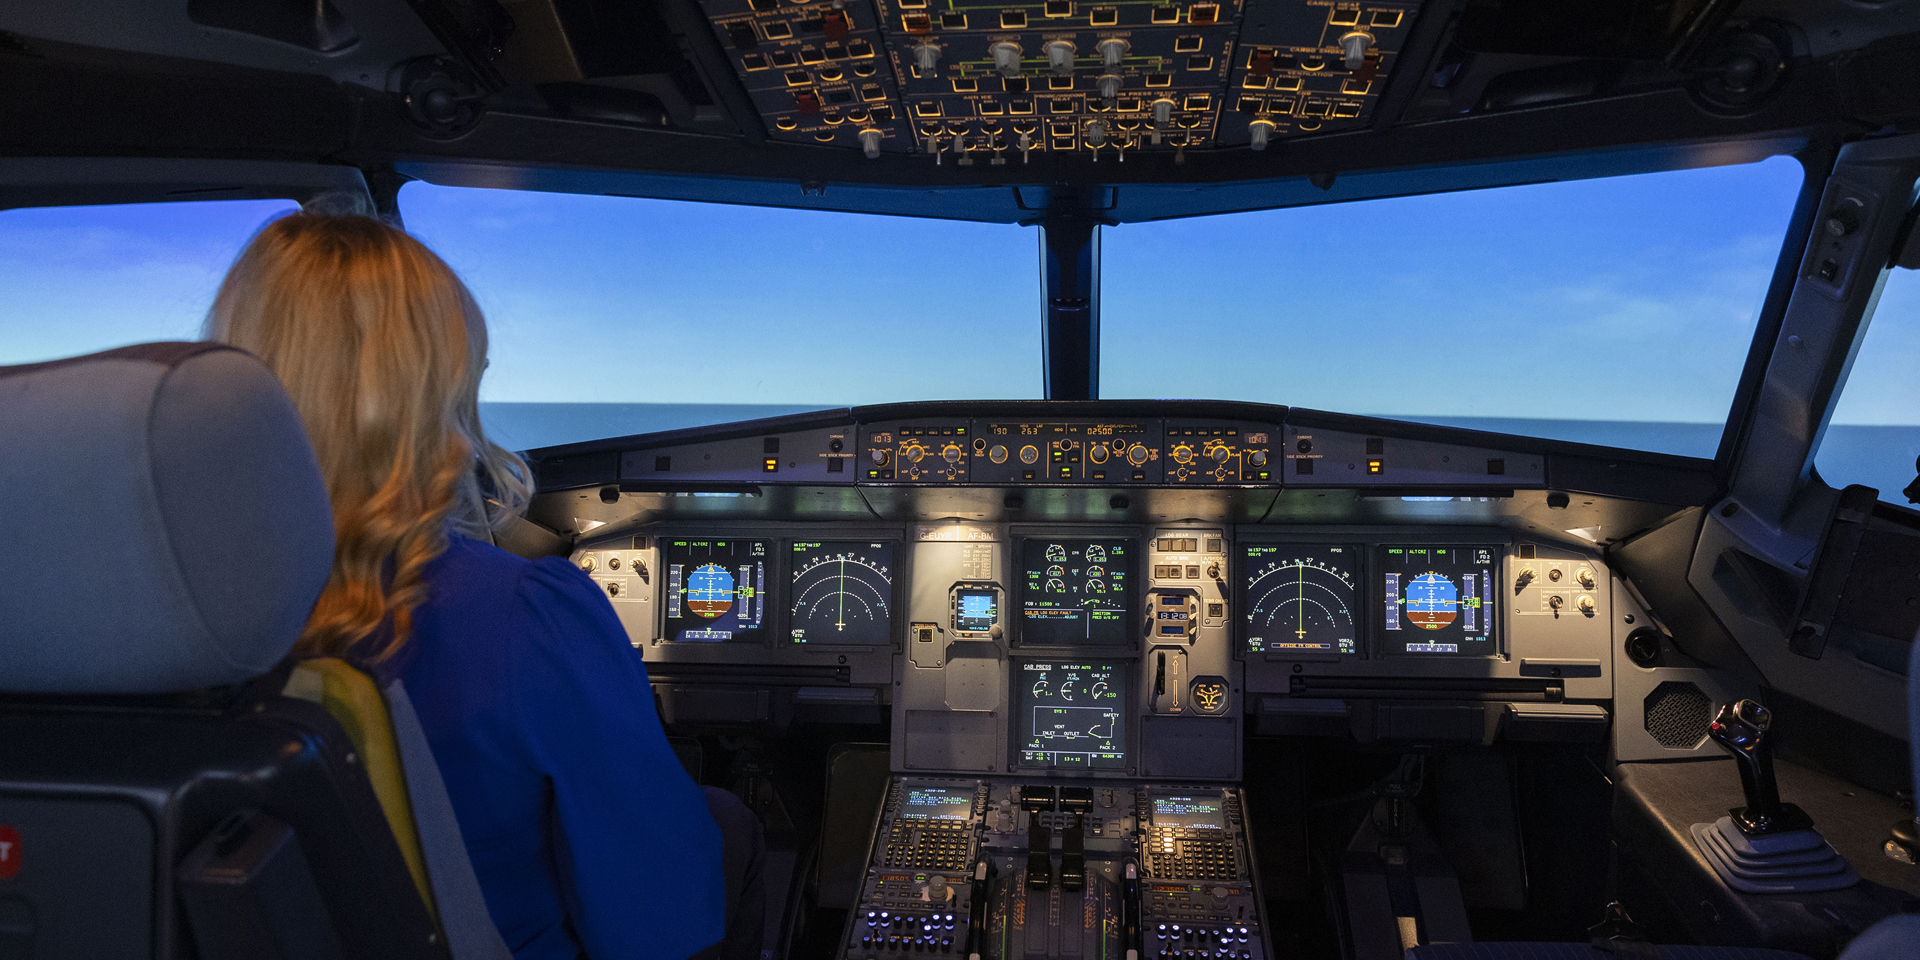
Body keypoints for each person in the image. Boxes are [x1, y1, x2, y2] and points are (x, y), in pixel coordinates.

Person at [205, 211, 764, 960]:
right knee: (725, 822)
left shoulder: (166, 621)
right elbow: (658, 916)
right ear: (421, 402)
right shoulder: (523, 616)